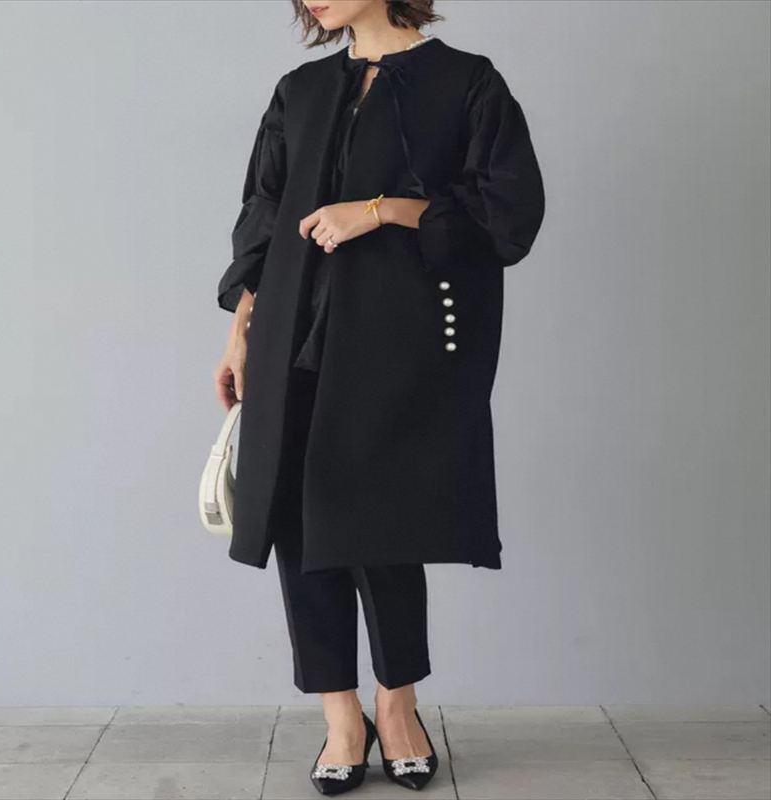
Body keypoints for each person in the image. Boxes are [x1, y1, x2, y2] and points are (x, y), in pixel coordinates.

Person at [213, 0, 545, 794]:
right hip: (292, 332)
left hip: (400, 340)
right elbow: (263, 213)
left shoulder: (467, 84)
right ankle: (340, 717)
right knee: (296, 520)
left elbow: (508, 216)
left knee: (382, 525)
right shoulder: (299, 91)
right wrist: (241, 331)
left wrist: (381, 212)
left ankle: (397, 707)